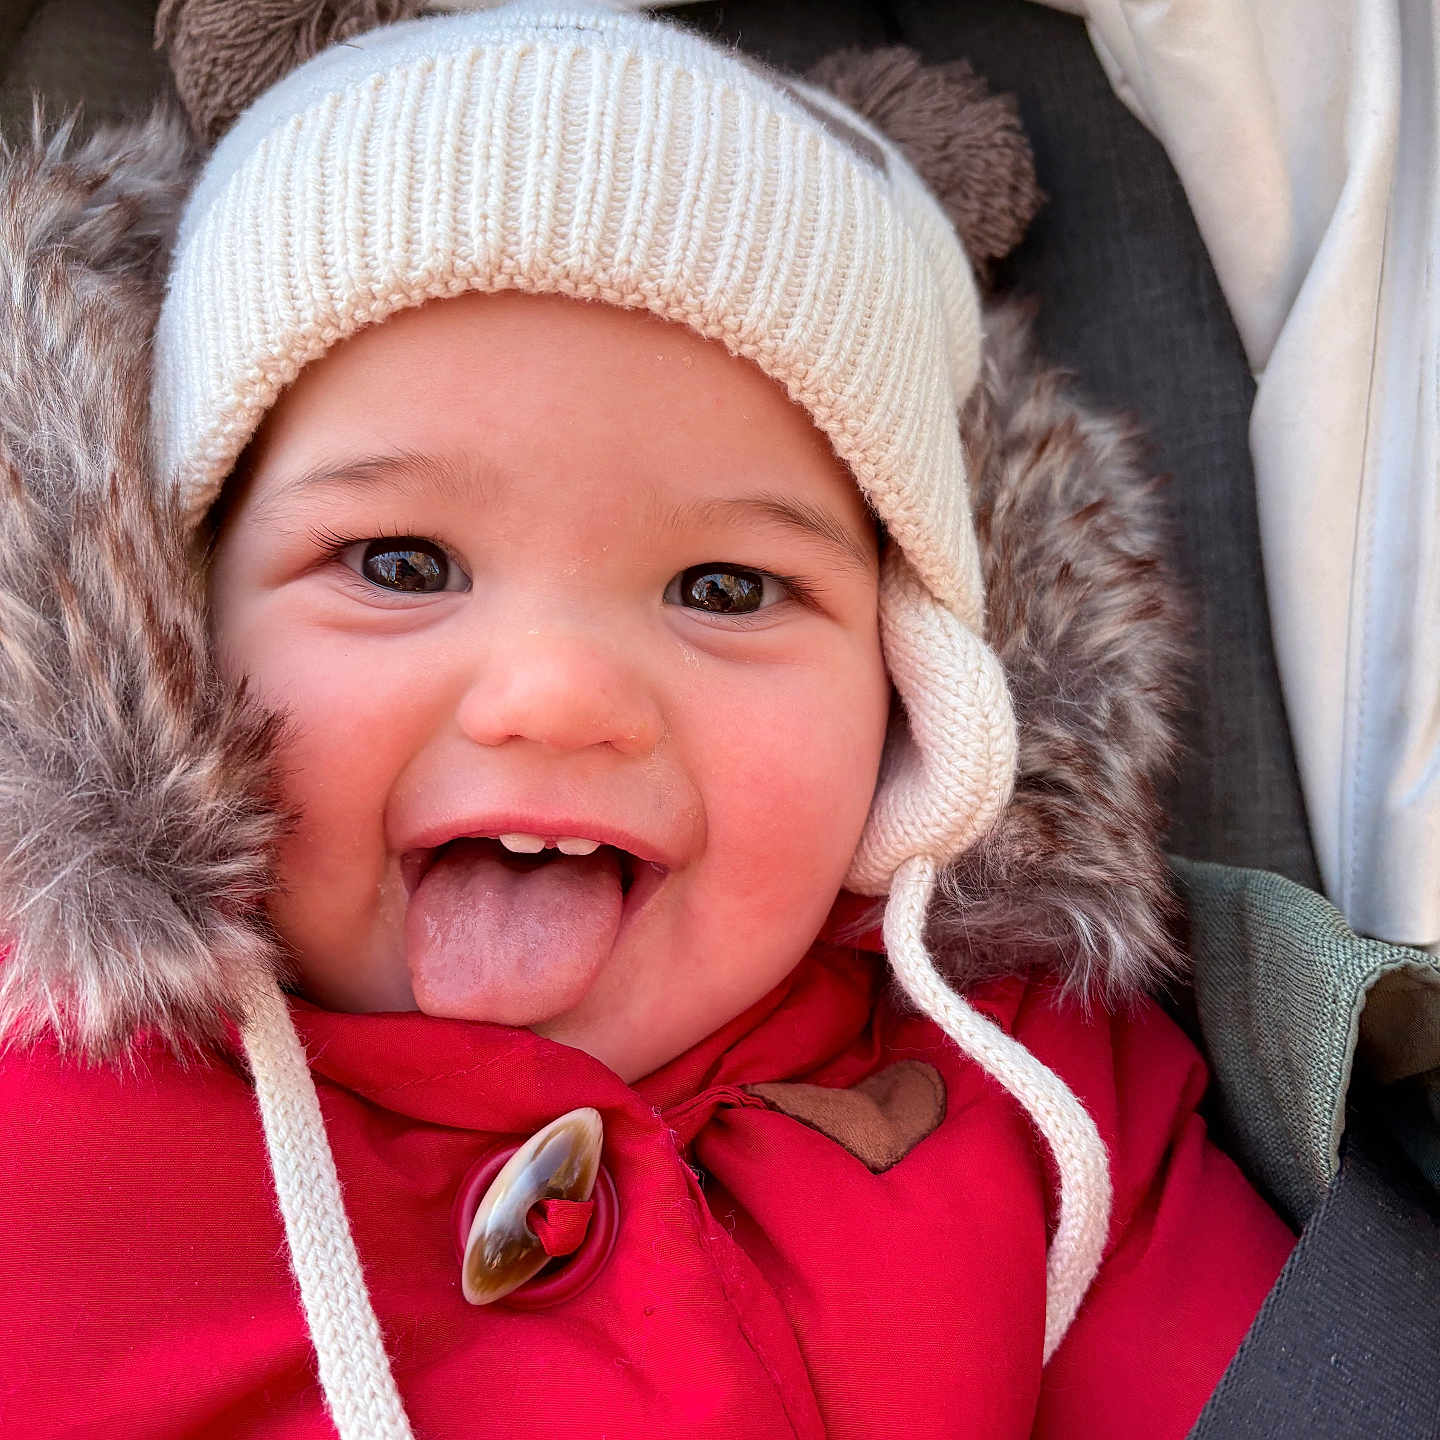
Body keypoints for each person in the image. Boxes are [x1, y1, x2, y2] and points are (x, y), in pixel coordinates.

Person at [0, 4, 1293, 1436]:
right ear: (175, 623)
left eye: (727, 586)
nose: (561, 697)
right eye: (402, 564)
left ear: (914, 679)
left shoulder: (1038, 1106)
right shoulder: (49, 1112)